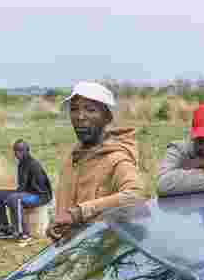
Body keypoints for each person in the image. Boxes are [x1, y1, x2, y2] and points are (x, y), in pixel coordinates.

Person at [47, 82, 145, 240]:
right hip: (72, 252)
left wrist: (78, 213)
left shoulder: (117, 159)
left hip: (101, 255)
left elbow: (136, 196)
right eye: (74, 109)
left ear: (107, 117)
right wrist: (58, 223)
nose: (80, 116)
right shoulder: (73, 157)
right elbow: (65, 210)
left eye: (90, 109)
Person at [0, 140, 54, 240]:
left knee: (14, 198)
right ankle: (3, 228)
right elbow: (22, 187)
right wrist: (16, 194)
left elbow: (40, 187)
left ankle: (22, 233)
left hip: (41, 196)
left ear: (27, 151)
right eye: (15, 151)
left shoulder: (33, 164)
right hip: (27, 193)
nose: (17, 153)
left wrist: (16, 196)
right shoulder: (22, 164)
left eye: (20, 150)